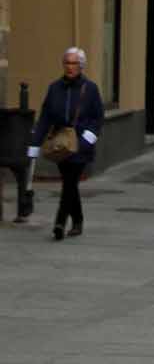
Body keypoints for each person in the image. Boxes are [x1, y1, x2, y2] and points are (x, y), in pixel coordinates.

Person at [27, 47, 105, 239]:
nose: (70, 67)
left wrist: (87, 140)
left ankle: (60, 223)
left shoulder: (90, 88)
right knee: (70, 184)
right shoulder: (54, 88)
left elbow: (98, 117)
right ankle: (78, 220)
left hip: (80, 145)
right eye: (67, 63)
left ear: (81, 66)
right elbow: (45, 116)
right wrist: (35, 143)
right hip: (60, 143)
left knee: (69, 183)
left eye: (74, 64)